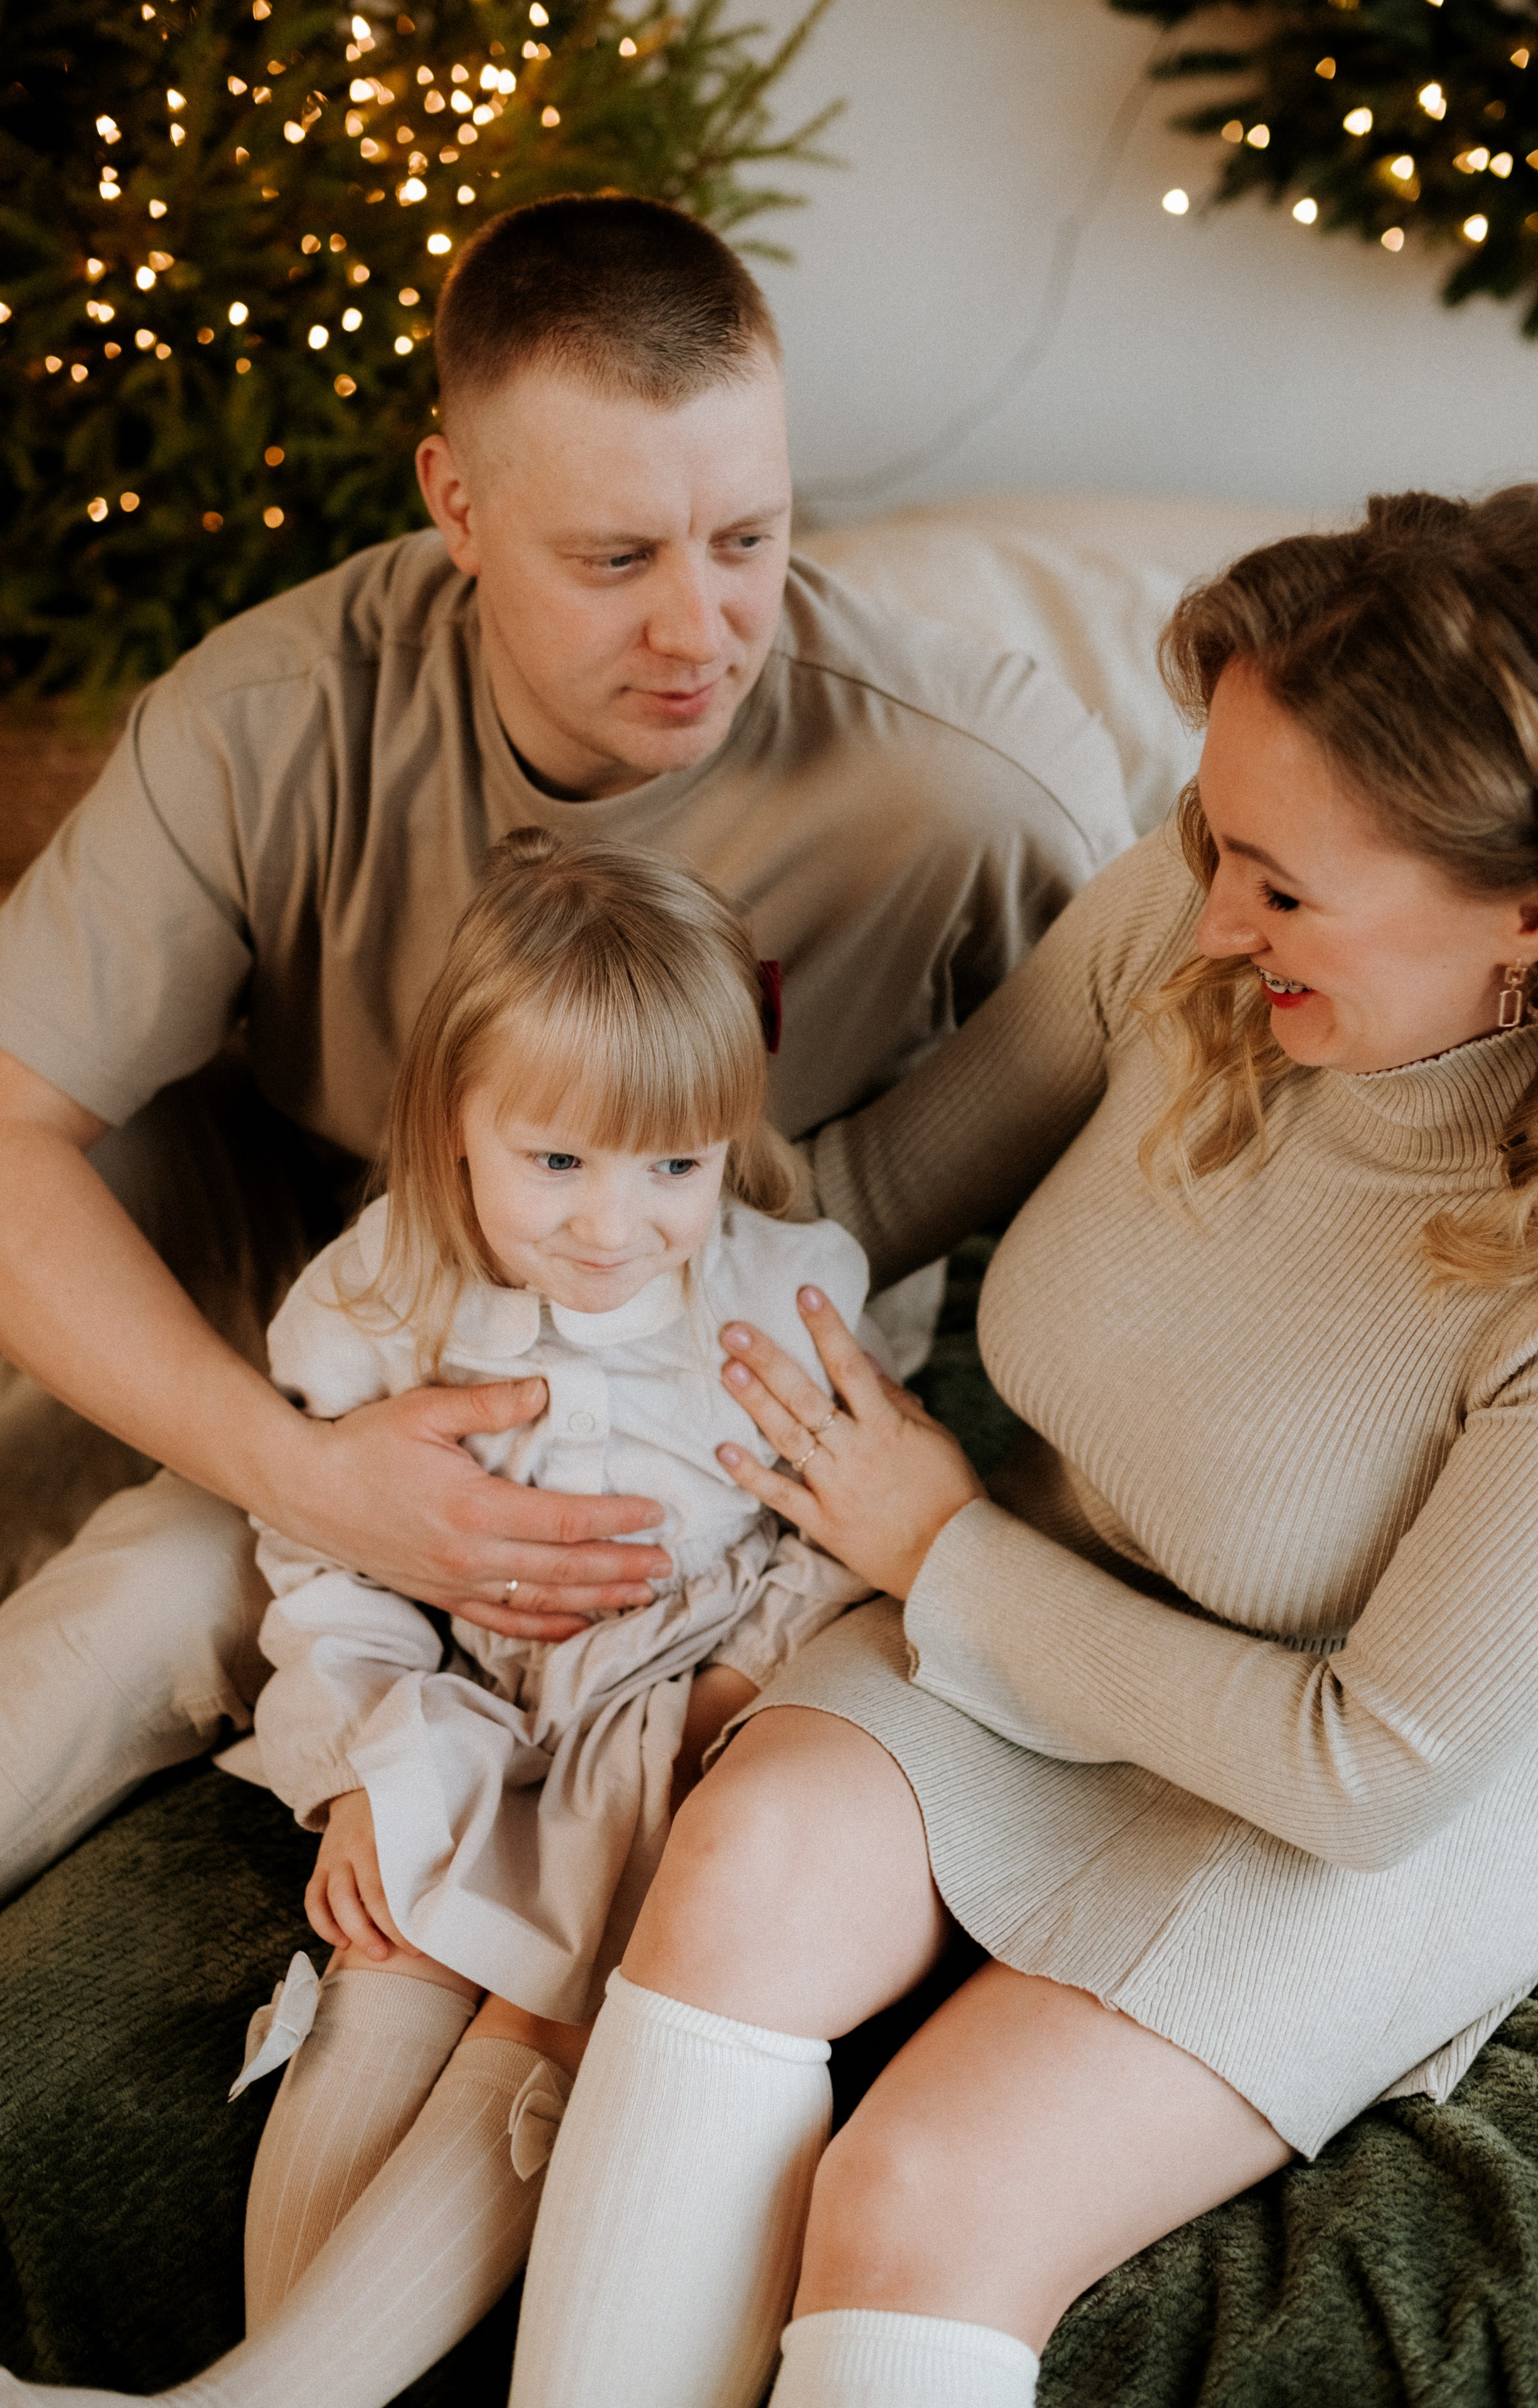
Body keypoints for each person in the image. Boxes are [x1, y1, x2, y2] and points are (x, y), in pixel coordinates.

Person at [444, 484, 1538, 2408]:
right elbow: (876, 1189)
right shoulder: (1191, 910)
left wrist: (945, 1555)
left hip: (1372, 1768)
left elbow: (1372, 1770)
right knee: (731, 1868)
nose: (1216, 914)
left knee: (917, 2192)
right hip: (1051, 1595)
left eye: (1284, 882)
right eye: (1209, 833)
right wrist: (545, 1312)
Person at [0, 193, 1129, 1899]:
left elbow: (1155, 1140)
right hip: (326, 1300)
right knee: (136, 1594)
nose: (702, 631)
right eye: (616, 560)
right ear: (455, 500)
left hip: (699, 1384)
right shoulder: (266, 718)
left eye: (748, 538)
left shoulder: (974, 788)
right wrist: (310, 1472)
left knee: (163, 1582)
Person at [0, 830, 877, 2408]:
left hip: (668, 1696)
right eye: (558, 1163)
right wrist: (355, 1763)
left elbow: (837, 1526)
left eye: (672, 1166)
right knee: (390, 1932)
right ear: (452, 1124)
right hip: (458, 1682)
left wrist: (735, 1681)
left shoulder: (781, 1287)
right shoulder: (379, 1294)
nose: (616, 1224)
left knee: (553, 1974)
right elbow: (328, 1560)